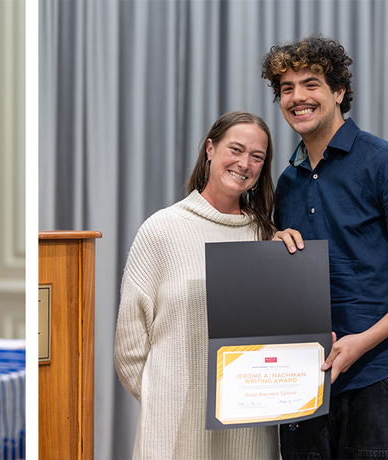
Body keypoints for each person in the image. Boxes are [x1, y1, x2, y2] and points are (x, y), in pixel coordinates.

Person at [261, 34, 388, 459]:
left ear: (339, 92)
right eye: (286, 88)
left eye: (311, 84)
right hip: (303, 379)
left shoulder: (386, 165)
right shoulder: (287, 181)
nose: (298, 97)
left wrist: (362, 341)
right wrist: (273, 250)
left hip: (381, 377)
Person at [114, 111, 279, 459]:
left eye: (257, 157)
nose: (244, 163)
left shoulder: (266, 238)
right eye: (235, 149)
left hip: (247, 434)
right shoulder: (162, 230)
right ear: (210, 149)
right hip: (173, 431)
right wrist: (169, 402)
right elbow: (129, 348)